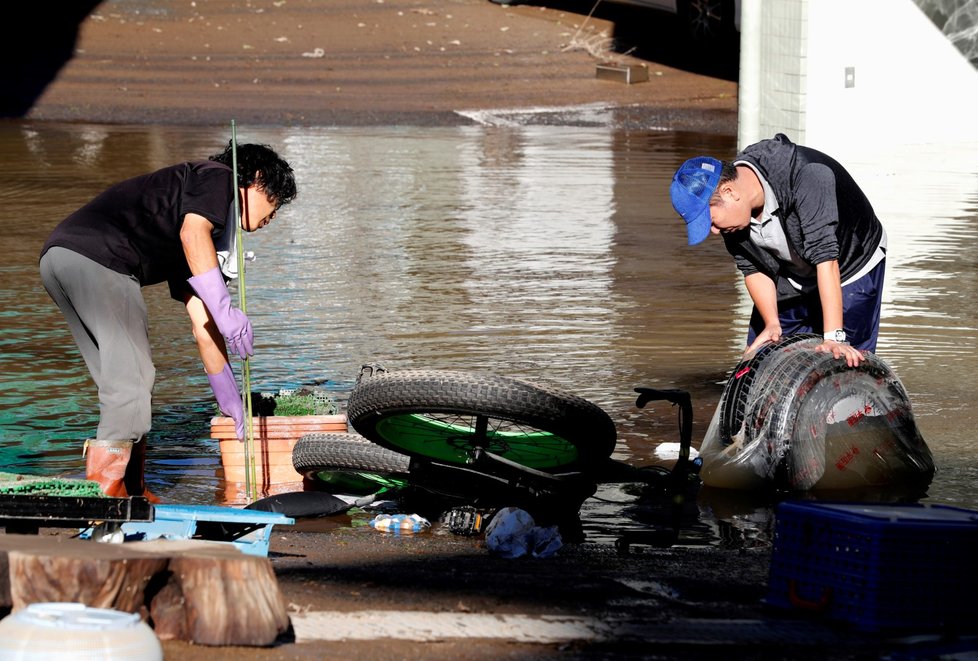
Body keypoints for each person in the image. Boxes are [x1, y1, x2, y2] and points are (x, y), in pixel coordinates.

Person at [39, 142, 297, 501]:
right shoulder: (217, 178)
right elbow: (194, 234)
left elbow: (202, 323)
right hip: (99, 259)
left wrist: (229, 399)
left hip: (60, 259)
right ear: (254, 179)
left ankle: (133, 491)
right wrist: (225, 306)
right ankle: (104, 496)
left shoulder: (194, 228)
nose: (275, 213)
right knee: (133, 380)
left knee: (122, 386)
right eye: (275, 199)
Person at [670, 133, 886, 367]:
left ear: (729, 192)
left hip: (849, 264)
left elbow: (826, 259)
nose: (713, 231)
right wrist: (772, 323)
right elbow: (752, 267)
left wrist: (834, 338)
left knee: (843, 360)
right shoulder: (733, 218)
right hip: (789, 269)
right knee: (760, 357)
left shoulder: (807, 176)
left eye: (710, 220)